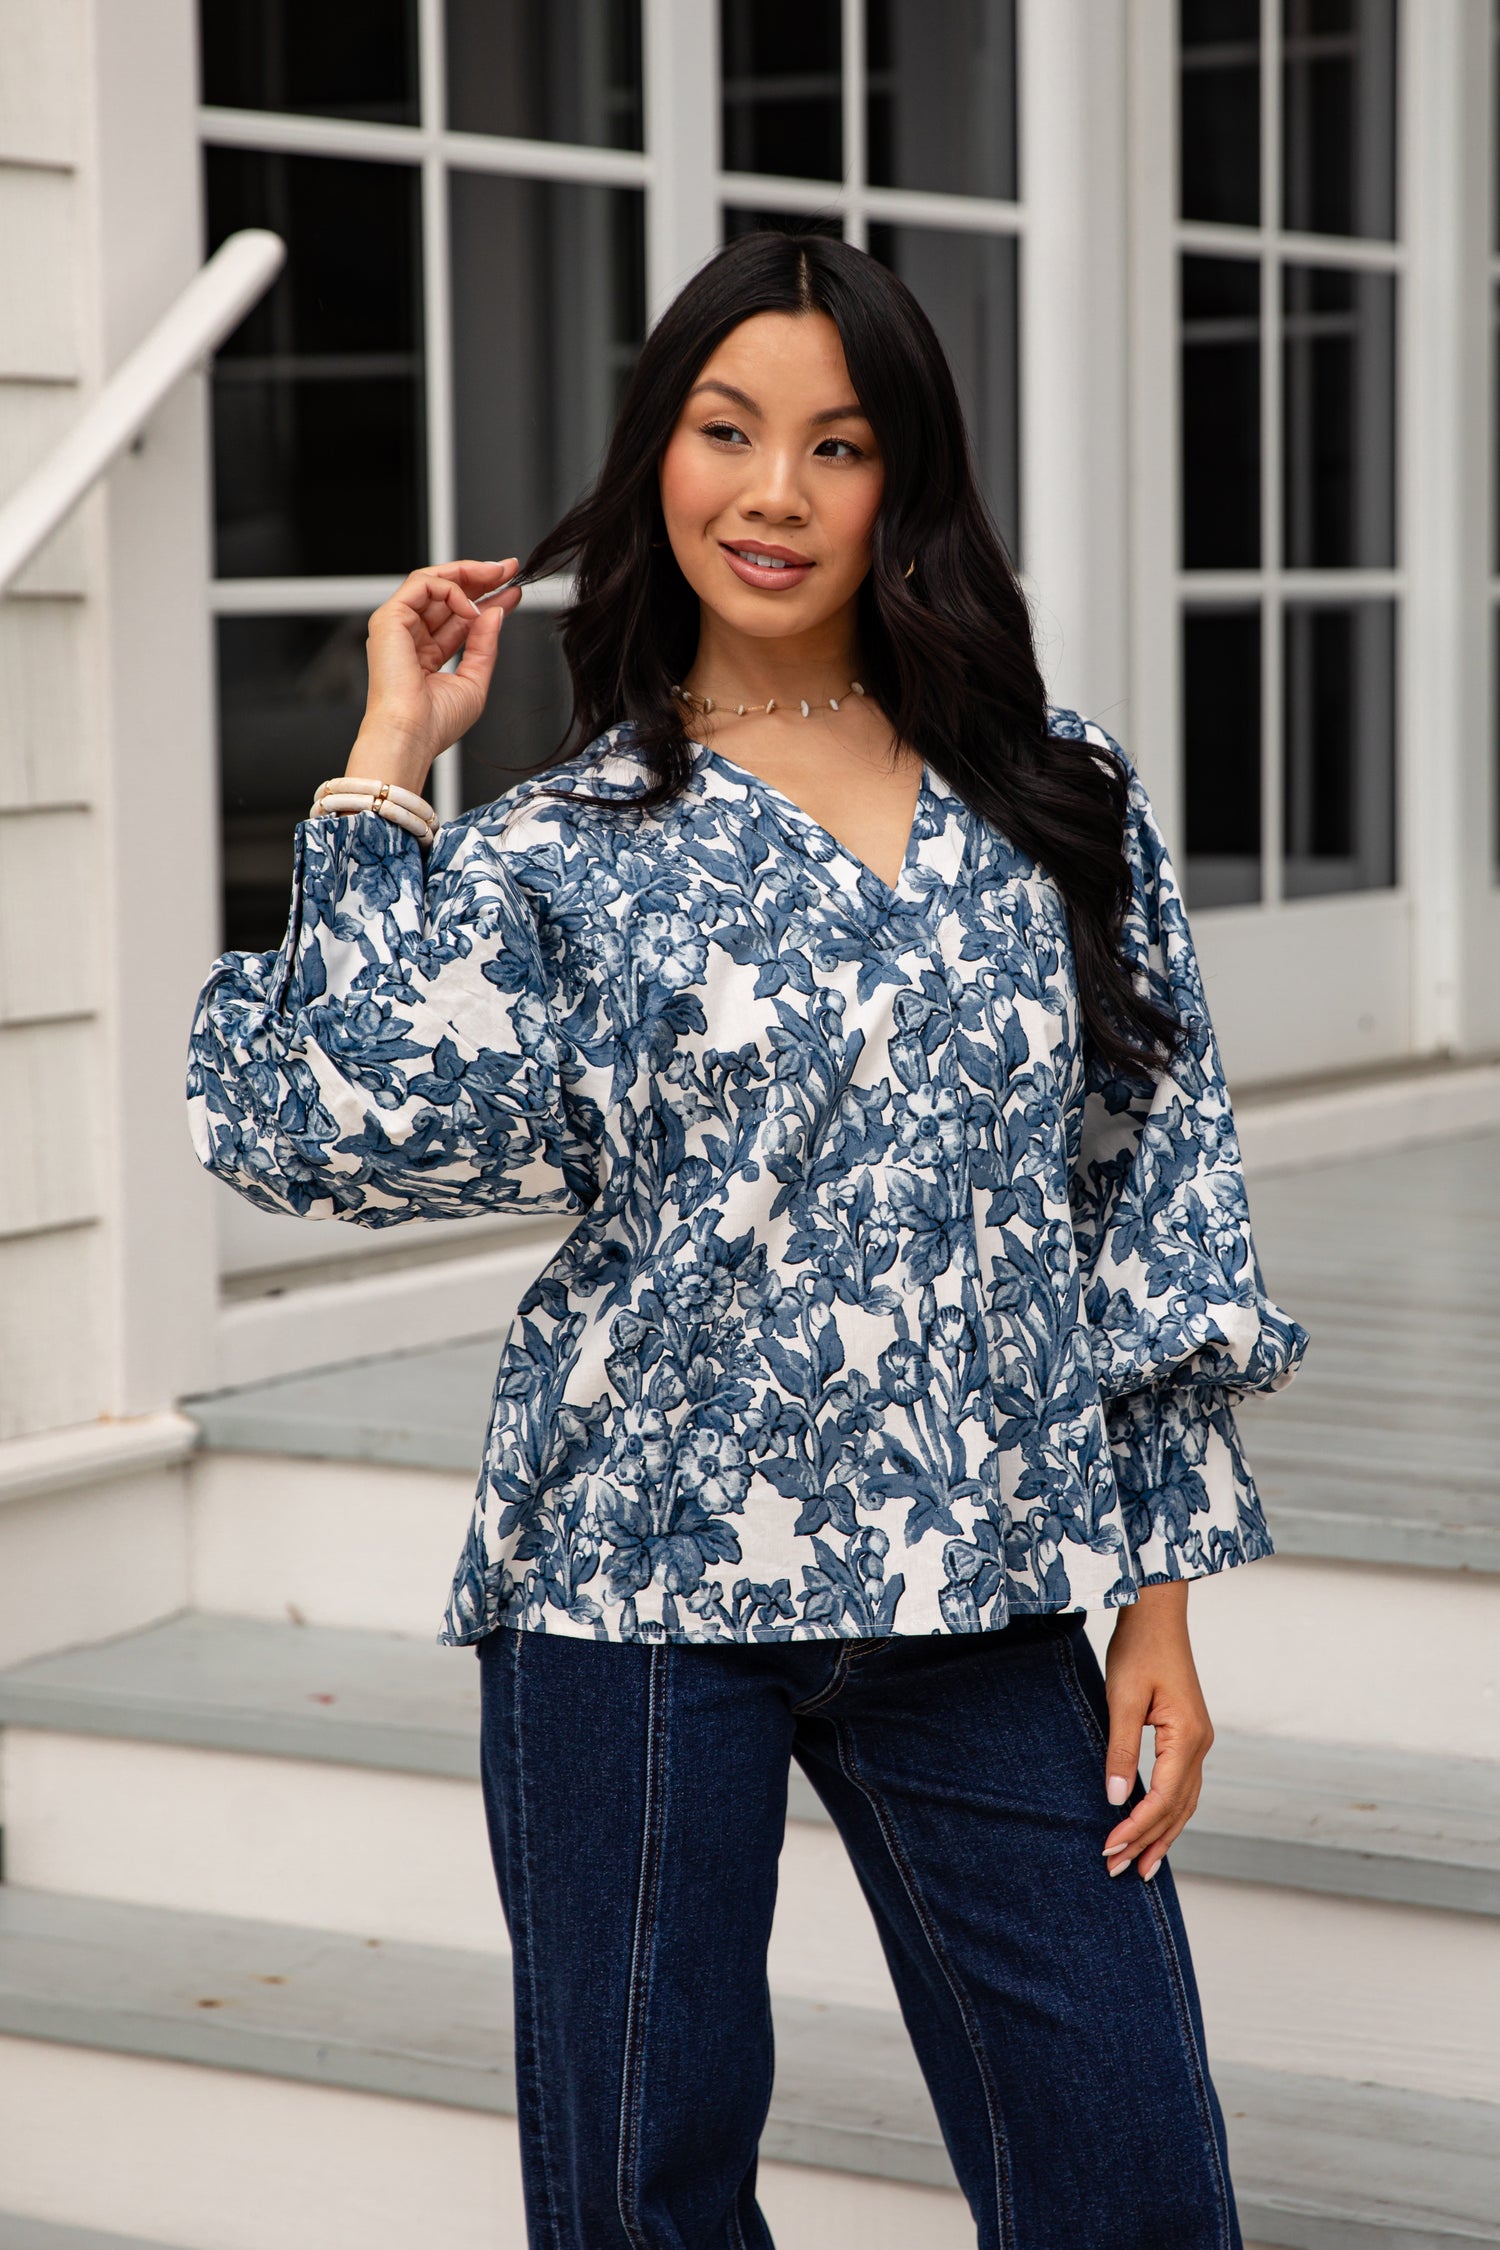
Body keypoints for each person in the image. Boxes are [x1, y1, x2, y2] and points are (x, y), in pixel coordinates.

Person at [187, 230, 1308, 2250]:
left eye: (837, 444)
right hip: (628, 1586)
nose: (774, 493)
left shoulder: (1053, 798)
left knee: (1131, 2176)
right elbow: (330, 1127)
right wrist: (387, 761)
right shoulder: (567, 842)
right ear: (659, 458)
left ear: (904, 486)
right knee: (644, 2202)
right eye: (726, 431)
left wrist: (1158, 1596)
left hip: (977, 1579)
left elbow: (1146, 1191)